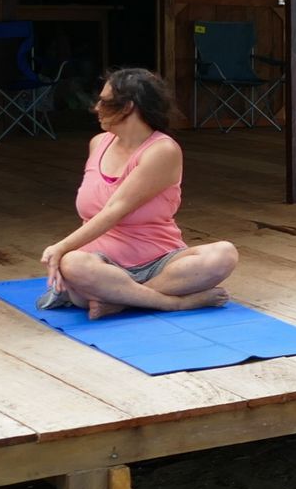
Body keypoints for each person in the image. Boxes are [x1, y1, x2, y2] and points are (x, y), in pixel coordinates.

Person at [39, 68, 239, 319]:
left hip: (160, 263)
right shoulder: (98, 143)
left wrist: (60, 247)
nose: (96, 107)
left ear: (127, 108)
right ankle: (171, 303)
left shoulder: (162, 150)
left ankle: (122, 300)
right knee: (73, 264)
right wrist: (65, 253)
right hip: (102, 265)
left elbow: (115, 210)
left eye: (104, 101)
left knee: (224, 254)